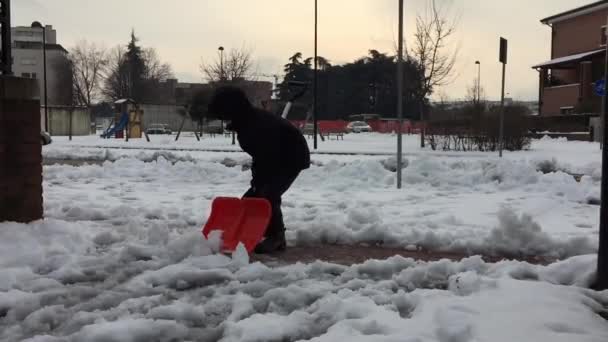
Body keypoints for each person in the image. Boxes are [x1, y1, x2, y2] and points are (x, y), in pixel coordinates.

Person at [208, 86, 311, 253]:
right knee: (252, 198)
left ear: (231, 109)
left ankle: (277, 237)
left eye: (223, 115)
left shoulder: (256, 125)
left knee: (268, 194)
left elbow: (268, 158)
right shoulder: (246, 122)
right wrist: (257, 182)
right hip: (274, 156)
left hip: (292, 157)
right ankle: (252, 231)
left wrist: (260, 181)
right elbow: (261, 157)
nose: (223, 120)